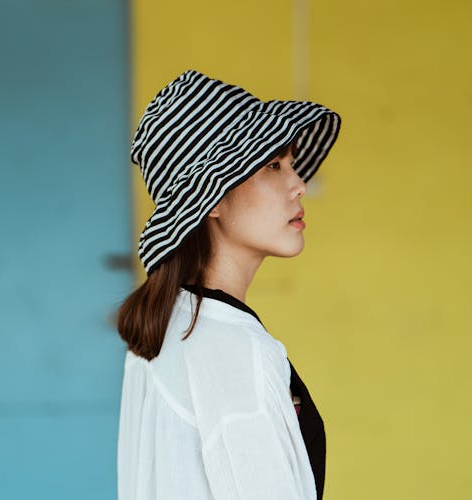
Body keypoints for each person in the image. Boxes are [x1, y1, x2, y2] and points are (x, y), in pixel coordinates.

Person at [116, 69, 341, 500]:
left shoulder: (161, 329)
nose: (299, 185)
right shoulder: (234, 349)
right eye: (273, 165)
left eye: (293, 165)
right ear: (212, 197)